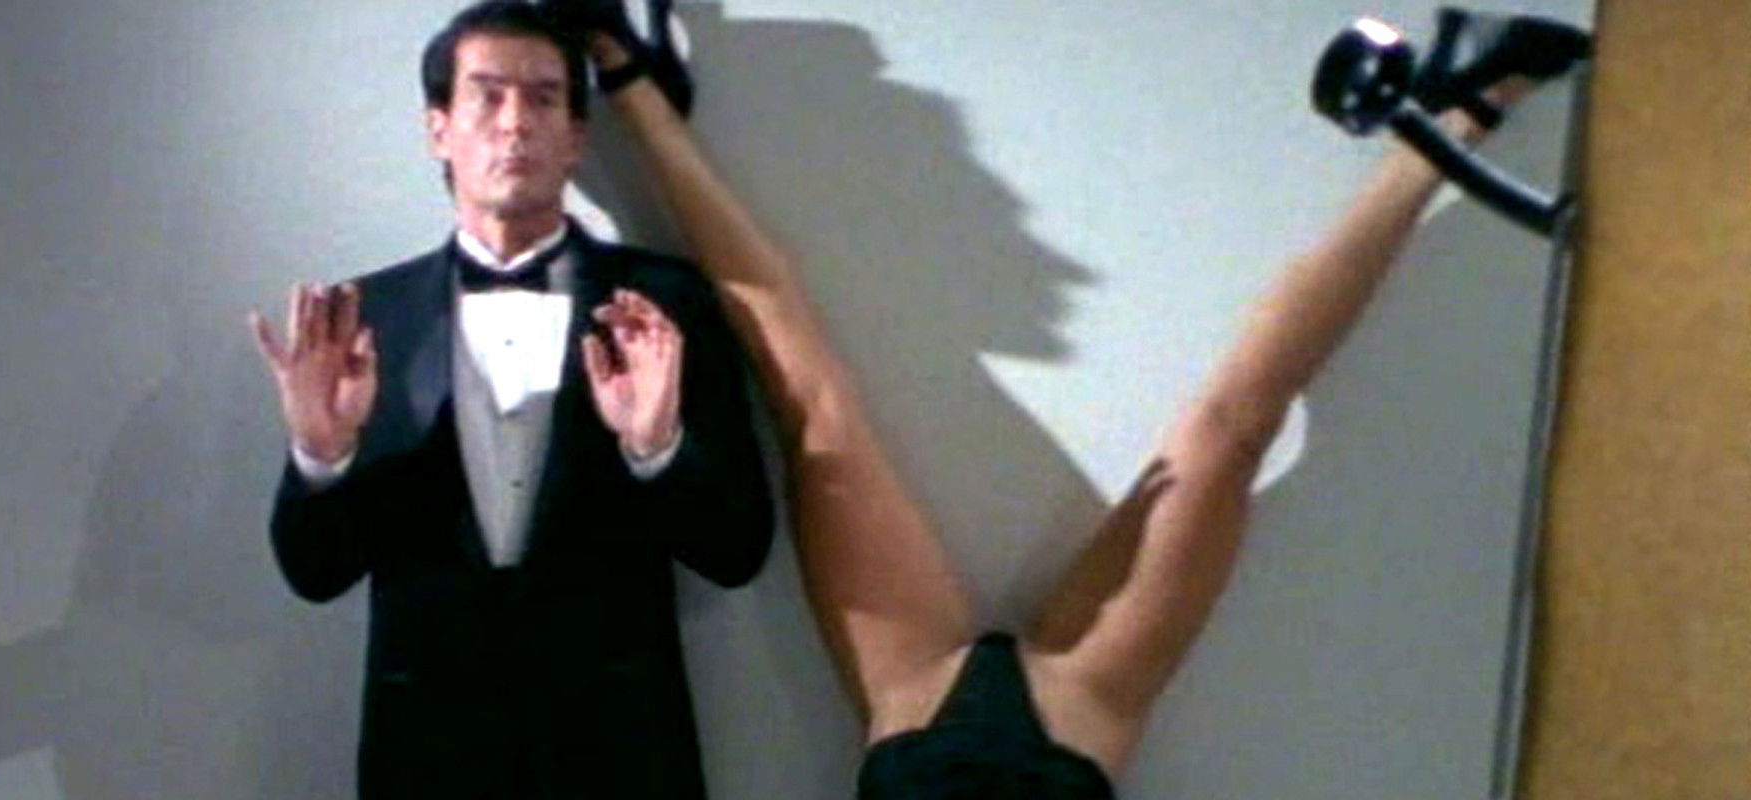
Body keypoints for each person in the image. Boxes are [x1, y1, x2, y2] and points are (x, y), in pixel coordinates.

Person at [567, 8, 1582, 798]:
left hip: (910, 722)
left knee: (812, 399)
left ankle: (628, 74)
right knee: (1234, 428)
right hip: (1067, 730)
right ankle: (1461, 107)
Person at [245, 3, 773, 797]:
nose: (515, 122)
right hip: (425, 756)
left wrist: (656, 450)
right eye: (487, 96)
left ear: (577, 136)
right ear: (438, 129)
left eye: (543, 98)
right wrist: (322, 456)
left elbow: (736, 553)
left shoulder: (668, 303)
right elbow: (314, 574)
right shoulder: (364, 319)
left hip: (623, 754)